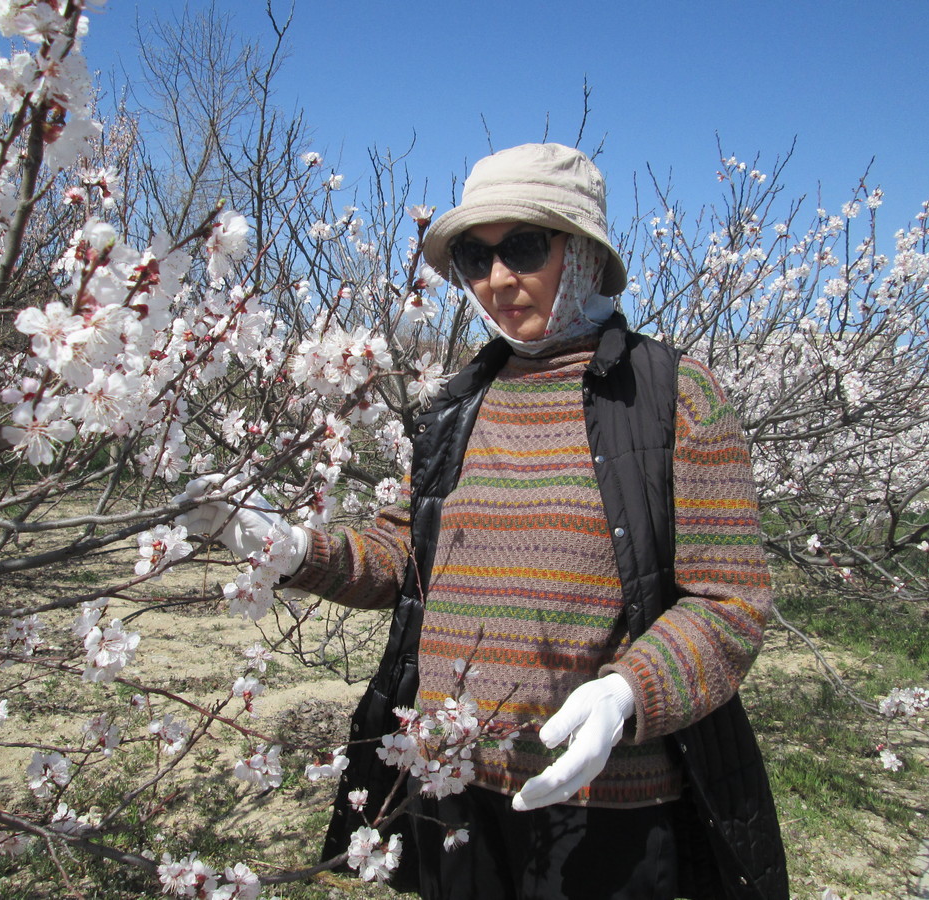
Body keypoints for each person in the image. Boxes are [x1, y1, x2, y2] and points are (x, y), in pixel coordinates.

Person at [185, 143, 788, 899]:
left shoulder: (673, 394)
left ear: (583, 253)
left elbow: (729, 600)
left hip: (607, 807)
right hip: (450, 787)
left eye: (524, 247)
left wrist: (629, 692)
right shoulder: (458, 402)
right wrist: (290, 548)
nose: (498, 279)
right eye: (475, 257)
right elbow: (403, 558)